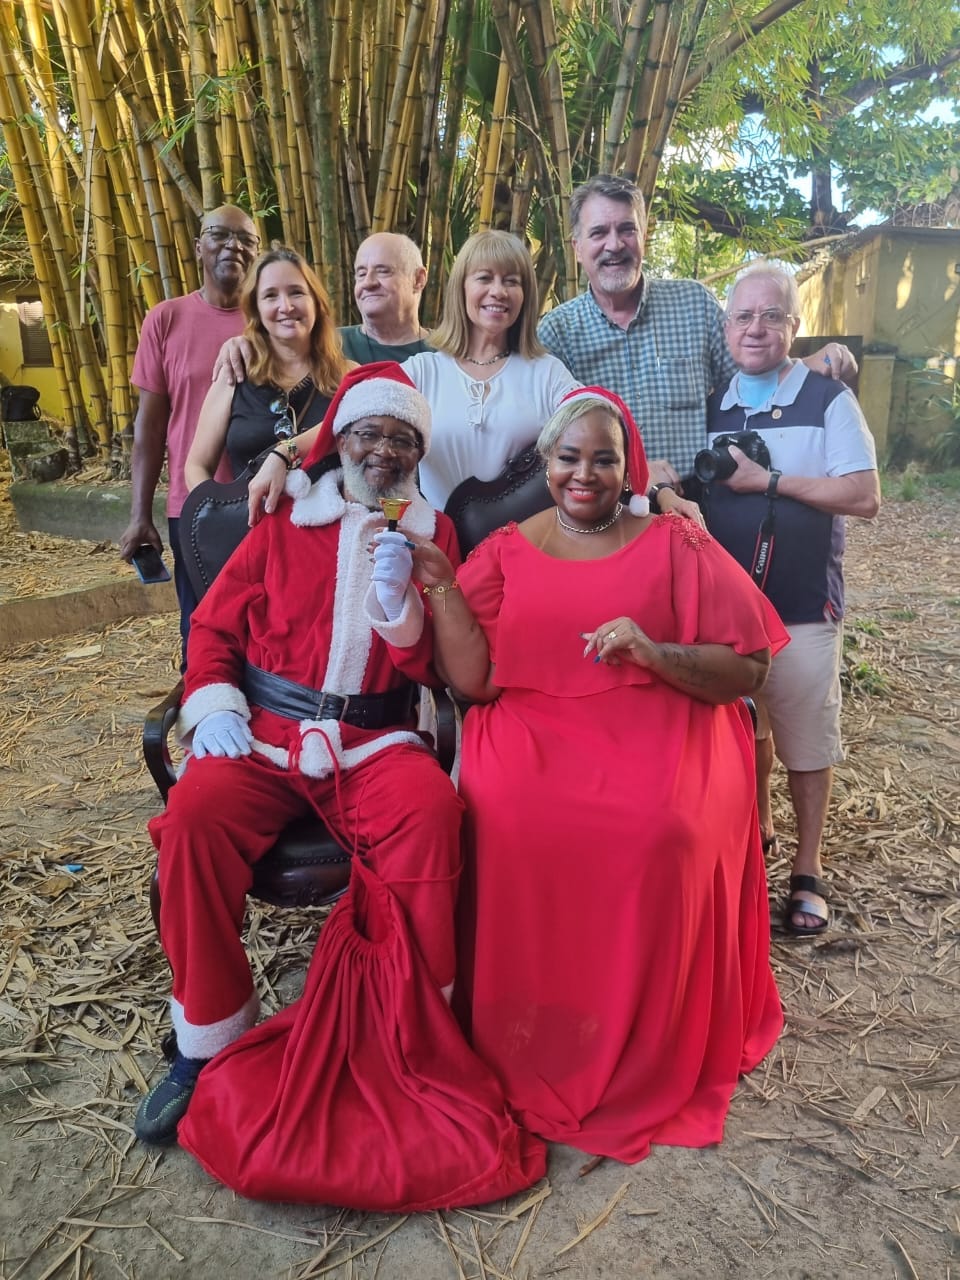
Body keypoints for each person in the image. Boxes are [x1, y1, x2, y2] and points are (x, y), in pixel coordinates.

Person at [134, 363, 545, 1210]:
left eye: (402, 440)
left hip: (375, 735)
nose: (383, 452)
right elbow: (213, 622)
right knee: (193, 821)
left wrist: (405, 608)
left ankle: (415, 1029)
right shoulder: (286, 516)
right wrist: (212, 703)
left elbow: (438, 664)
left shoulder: (435, 537)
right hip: (266, 733)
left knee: (432, 815)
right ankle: (207, 1039)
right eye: (369, 434)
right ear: (344, 441)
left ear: (418, 454)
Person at [411, 386, 790, 1163]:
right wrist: (443, 586)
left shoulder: (677, 543)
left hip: (663, 722)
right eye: (568, 458)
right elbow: (475, 683)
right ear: (546, 463)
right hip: (536, 731)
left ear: (629, 467)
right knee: (506, 814)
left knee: (661, 830)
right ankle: (537, 1026)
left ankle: (653, 1035)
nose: (584, 474)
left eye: (604, 459)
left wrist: (654, 652)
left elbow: (748, 667)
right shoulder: (507, 551)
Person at [701, 267, 880, 935]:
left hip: (801, 603)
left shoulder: (828, 399)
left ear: (793, 327)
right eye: (744, 317)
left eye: (772, 317)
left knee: (806, 739)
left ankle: (808, 868)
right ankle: (755, 831)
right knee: (746, 730)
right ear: (726, 330)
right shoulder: (712, 404)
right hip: (726, 608)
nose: (756, 328)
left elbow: (863, 496)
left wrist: (769, 480)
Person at [537, 174, 857, 522]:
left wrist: (804, 367)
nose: (614, 244)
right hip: (609, 511)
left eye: (627, 229)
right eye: (599, 232)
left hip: (705, 504)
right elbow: (553, 447)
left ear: (645, 236)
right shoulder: (557, 332)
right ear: (577, 247)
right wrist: (637, 471)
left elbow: (749, 384)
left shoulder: (694, 304)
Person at [247, 230, 580, 521]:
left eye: (512, 281)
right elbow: (352, 415)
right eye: (484, 278)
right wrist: (283, 453)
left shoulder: (546, 372)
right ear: (461, 287)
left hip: (523, 545)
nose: (498, 291)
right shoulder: (425, 370)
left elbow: (594, 417)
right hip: (437, 544)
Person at [120, 205, 259, 664]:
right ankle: (202, 719)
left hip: (263, 501)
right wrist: (142, 514)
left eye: (246, 239)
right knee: (200, 625)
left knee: (264, 626)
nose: (232, 245)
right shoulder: (166, 319)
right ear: (198, 245)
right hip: (193, 505)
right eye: (219, 234)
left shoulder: (271, 321)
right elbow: (151, 427)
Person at [183, 247, 353, 489]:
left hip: (330, 523)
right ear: (257, 310)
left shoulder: (348, 376)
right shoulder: (235, 374)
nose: (285, 306)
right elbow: (196, 466)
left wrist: (287, 452)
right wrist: (218, 512)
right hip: (250, 522)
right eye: (270, 296)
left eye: (296, 293)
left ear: (316, 302)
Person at [338, 231, 433, 363]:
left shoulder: (449, 353)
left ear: (418, 279)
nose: (368, 282)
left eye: (383, 271)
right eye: (361, 274)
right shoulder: (329, 346)